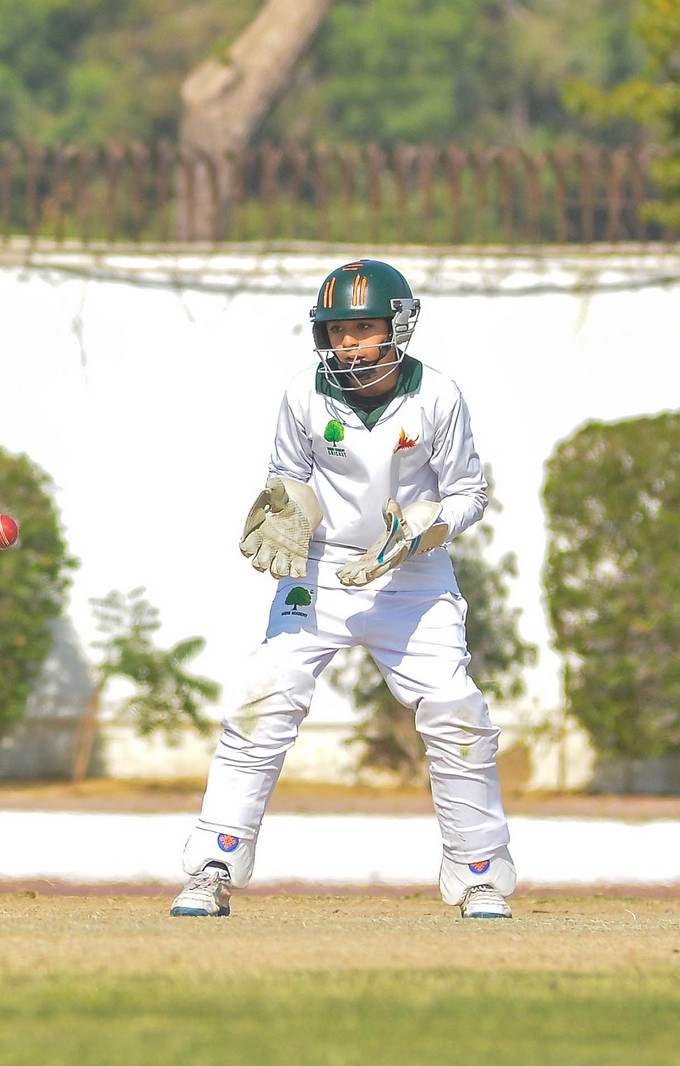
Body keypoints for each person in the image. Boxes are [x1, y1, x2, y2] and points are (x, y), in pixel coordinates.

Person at [171, 258, 516, 920]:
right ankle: (214, 864)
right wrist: (283, 511)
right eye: (337, 331)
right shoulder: (304, 393)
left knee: (456, 710)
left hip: (411, 571)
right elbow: (288, 475)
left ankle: (478, 873)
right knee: (264, 695)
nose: (349, 344)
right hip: (320, 570)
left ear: (398, 327)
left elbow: (469, 492)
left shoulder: (438, 396)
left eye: (363, 328)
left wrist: (424, 531)